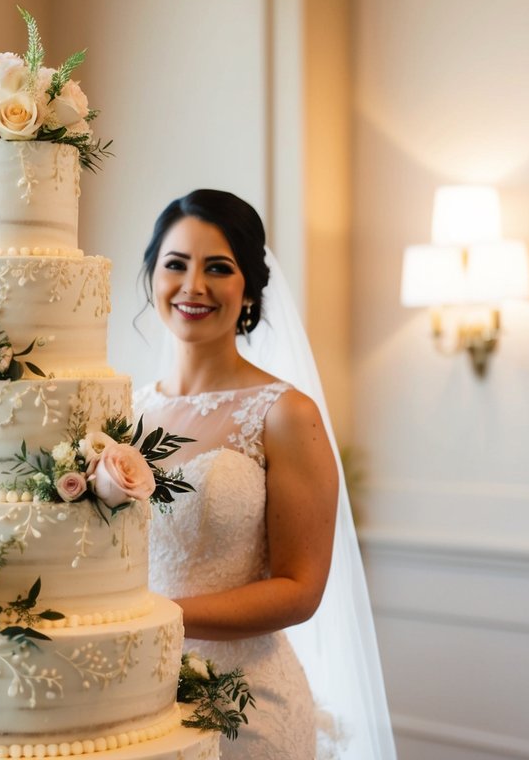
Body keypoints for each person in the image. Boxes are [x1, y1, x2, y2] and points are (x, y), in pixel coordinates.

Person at [136, 190, 396, 758]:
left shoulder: (285, 413)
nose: (193, 286)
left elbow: (300, 589)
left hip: (244, 706)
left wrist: (153, 617)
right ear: (152, 275)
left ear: (249, 286)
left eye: (219, 268)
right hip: (134, 695)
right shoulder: (123, 414)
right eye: (175, 264)